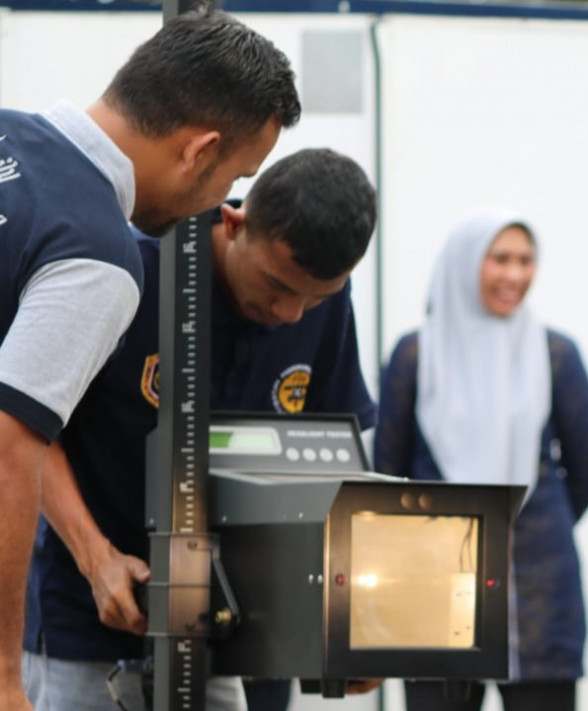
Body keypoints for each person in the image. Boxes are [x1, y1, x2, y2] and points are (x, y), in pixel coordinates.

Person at [1, 8, 298, 708]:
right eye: (232, 178)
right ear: (199, 151)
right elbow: (11, 444)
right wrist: (4, 679)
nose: (215, 203)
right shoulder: (97, 253)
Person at [23, 149, 375, 711]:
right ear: (234, 223)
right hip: (94, 617)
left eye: (316, 297)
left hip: (254, 634)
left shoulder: (324, 309)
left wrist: (354, 617)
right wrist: (97, 558)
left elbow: (336, 463)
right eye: (278, 285)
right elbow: (26, 432)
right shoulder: (125, 273)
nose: (292, 314)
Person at [374, 208, 588, 711]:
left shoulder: (555, 354)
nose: (515, 274)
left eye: (526, 260)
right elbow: (387, 475)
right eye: (499, 258)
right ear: (464, 263)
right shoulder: (416, 355)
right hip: (436, 579)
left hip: (536, 580)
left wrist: (528, 520)